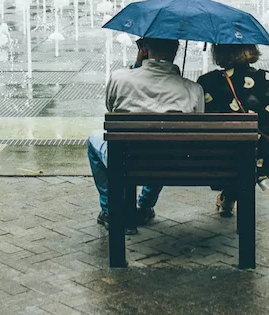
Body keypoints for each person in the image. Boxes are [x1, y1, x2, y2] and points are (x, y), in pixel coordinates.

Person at [87, 37, 204, 233]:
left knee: (94, 139)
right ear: (175, 50)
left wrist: (136, 65)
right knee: (163, 144)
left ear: (144, 50)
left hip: (127, 158)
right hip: (173, 161)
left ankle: (112, 211)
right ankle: (145, 206)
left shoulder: (119, 78)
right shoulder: (193, 89)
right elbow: (197, 123)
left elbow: (110, 107)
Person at [197, 44, 269, 217]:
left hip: (215, 158)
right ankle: (229, 197)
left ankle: (228, 196)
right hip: (258, 156)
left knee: (228, 143)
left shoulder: (207, 82)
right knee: (245, 146)